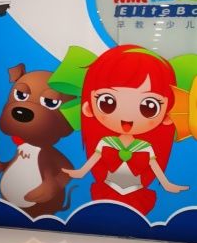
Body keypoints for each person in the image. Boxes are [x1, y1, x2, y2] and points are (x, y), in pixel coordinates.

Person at [63, 45, 188, 215]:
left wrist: (166, 184)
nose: (127, 118)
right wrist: (79, 172)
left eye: (149, 107)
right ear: (88, 107)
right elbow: (93, 161)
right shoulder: (106, 142)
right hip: (108, 188)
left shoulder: (145, 148)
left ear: (167, 115)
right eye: (107, 103)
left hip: (136, 191)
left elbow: (155, 167)